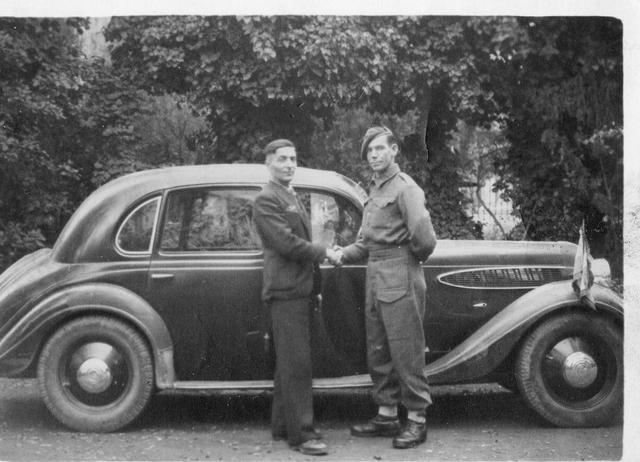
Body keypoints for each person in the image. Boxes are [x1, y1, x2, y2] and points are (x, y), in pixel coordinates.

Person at [332, 126, 437, 449]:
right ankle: (387, 415)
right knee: (379, 349)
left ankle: (417, 420)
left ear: (394, 150)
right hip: (376, 274)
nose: (374, 155)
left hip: (400, 272)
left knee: (406, 349)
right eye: (370, 152)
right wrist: (342, 255)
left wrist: (405, 261)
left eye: (379, 149)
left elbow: (425, 239)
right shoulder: (375, 190)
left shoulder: (405, 188)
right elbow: (366, 242)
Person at [253, 138, 341, 456]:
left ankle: (281, 426)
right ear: (269, 163)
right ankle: (302, 435)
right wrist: (325, 252)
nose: (290, 164)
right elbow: (287, 244)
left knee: (287, 364)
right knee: (297, 365)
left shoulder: (287, 194)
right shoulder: (267, 199)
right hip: (286, 291)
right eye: (282, 159)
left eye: (293, 158)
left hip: (297, 289)